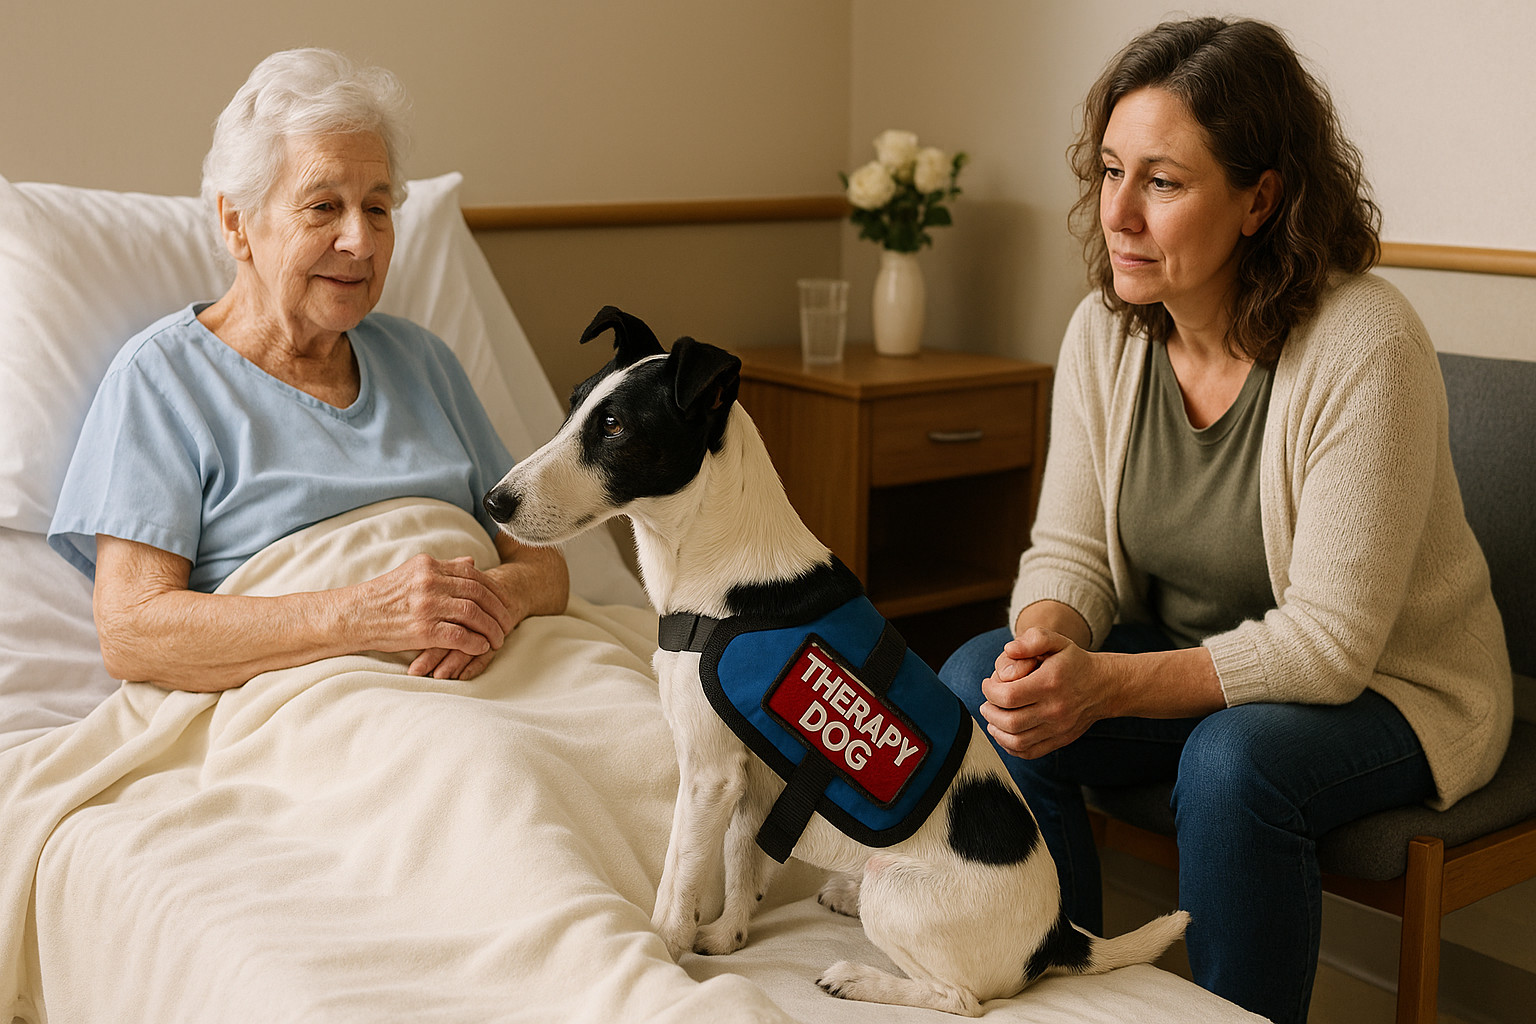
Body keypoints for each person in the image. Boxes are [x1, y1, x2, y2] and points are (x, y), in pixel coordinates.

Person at [937, 17, 1511, 1024]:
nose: (1118, 212)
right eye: (1110, 171)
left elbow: (1332, 647)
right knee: (979, 680)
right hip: (1194, 660)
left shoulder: (1365, 343)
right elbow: (1071, 554)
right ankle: (1061, 994)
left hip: (1391, 688)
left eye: (1161, 181)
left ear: (1261, 198)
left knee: (1233, 761)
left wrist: (1105, 685)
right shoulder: (1104, 333)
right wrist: (1046, 655)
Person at [47, 48, 567, 693]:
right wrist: (366, 615)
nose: (362, 242)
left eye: (377, 208)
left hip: (500, 667)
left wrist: (487, 606)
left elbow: (540, 561)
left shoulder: (423, 360)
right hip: (330, 700)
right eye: (323, 206)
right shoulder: (161, 381)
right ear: (238, 224)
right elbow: (134, 631)